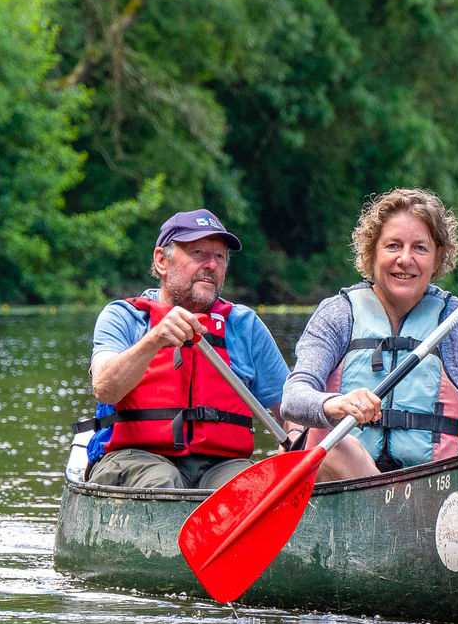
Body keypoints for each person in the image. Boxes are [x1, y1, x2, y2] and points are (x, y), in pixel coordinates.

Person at [281, 187, 458, 480]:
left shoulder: (457, 324)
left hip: (428, 493)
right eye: (393, 246)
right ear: (372, 253)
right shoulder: (338, 314)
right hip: (342, 488)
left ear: (437, 258)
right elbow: (292, 399)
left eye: (420, 248)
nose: (405, 259)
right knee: (334, 446)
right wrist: (333, 404)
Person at [77, 208, 302, 489]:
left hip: (222, 463)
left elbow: (291, 407)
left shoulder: (245, 325)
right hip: (135, 456)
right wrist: (154, 339)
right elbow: (105, 388)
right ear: (162, 261)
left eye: (219, 256)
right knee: (162, 482)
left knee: (246, 490)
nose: (211, 264)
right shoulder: (124, 317)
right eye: (198, 253)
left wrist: (295, 433)